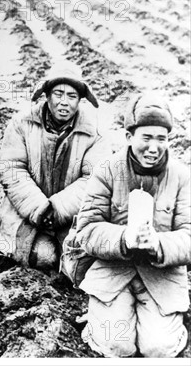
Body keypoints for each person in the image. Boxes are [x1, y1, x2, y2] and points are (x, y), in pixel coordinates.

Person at [76, 93, 190, 357]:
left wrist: (159, 243)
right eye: (146, 138)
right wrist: (123, 239)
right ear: (129, 137)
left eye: (161, 139)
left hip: (162, 278)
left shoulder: (183, 177)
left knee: (158, 349)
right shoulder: (107, 170)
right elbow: (87, 229)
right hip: (113, 273)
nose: (154, 147)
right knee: (116, 345)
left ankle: (163, 325)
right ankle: (99, 318)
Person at [0, 61, 109, 269]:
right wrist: (39, 208)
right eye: (58, 94)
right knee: (43, 257)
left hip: (71, 215)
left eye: (72, 96)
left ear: (80, 101)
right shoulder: (22, 124)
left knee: (79, 263)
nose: (64, 102)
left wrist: (57, 208)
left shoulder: (94, 134)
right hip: (25, 210)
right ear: (47, 95)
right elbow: (12, 170)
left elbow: (93, 180)